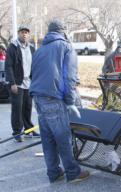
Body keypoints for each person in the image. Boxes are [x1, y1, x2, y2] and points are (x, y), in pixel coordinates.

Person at [30, 19, 89, 183]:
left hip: (38, 97)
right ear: (63, 31)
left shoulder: (39, 49)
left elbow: (33, 74)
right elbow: (69, 77)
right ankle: (72, 172)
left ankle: (54, 172)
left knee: (47, 138)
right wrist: (70, 101)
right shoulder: (66, 46)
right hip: (54, 98)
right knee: (63, 138)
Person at [5, 25, 39, 142]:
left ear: (28, 35)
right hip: (17, 84)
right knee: (17, 108)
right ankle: (17, 132)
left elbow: (35, 66)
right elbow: (8, 66)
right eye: (22, 32)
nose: (24, 34)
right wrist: (12, 83)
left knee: (28, 108)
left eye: (26, 32)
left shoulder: (31, 48)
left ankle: (29, 130)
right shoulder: (12, 47)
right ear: (18, 34)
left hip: (28, 83)